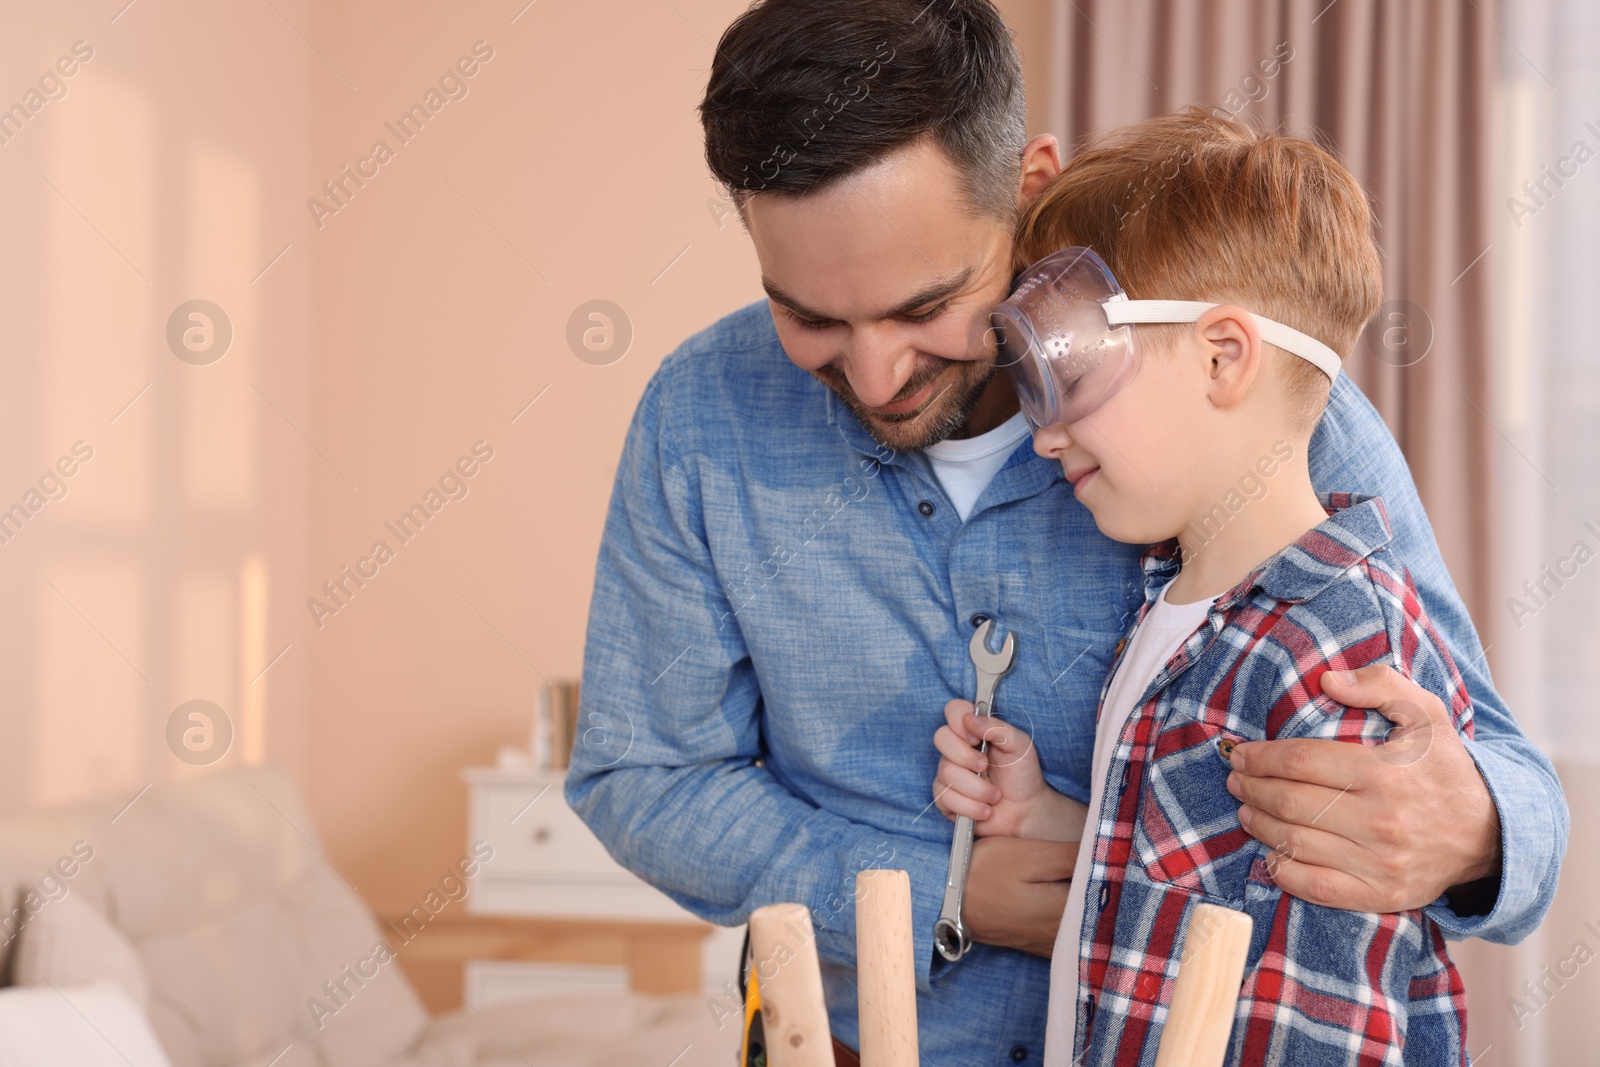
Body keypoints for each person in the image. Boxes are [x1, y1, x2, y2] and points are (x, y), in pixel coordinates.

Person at [565, 1, 1566, 1062]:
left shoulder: (1252, 408)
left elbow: (1509, 796)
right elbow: (641, 776)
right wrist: (933, 894)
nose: (875, 375)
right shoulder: (699, 415)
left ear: (1032, 185)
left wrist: (1469, 829)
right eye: (810, 316)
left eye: (925, 306)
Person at [932, 108, 1479, 1066]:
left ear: (1224, 355)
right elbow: (1194, 863)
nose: (1043, 431)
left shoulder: (1337, 643)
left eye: (1067, 366)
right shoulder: (1173, 603)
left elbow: (1327, 1010)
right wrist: (1056, 816)